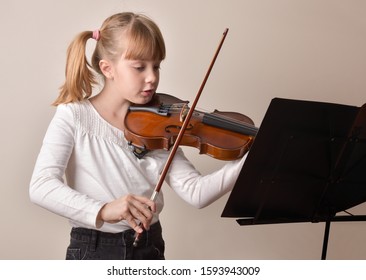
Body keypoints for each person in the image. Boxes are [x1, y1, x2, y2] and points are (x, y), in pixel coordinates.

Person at [29, 12, 246, 260]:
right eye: (139, 67)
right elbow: (41, 186)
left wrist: (249, 160)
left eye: (156, 66)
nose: (152, 77)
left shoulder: (159, 124)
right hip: (93, 250)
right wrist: (104, 209)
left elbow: (195, 192)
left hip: (149, 247)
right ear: (107, 68)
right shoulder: (74, 116)